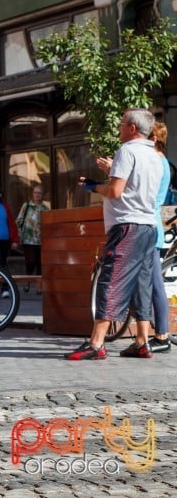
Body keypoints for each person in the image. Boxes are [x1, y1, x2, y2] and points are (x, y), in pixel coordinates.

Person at [67, 108, 161, 361]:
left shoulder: (127, 151)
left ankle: (96, 344)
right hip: (147, 226)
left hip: (126, 227)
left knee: (111, 281)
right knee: (142, 284)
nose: (118, 128)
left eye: (121, 124)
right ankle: (142, 341)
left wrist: (92, 186)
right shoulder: (155, 155)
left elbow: (117, 191)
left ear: (132, 128)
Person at [146, 121, 171, 353]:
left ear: (154, 138)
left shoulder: (158, 161)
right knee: (152, 284)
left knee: (155, 285)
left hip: (150, 228)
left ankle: (162, 336)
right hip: (151, 227)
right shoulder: (159, 160)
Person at [15, 186, 48, 276]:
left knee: (40, 264)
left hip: (41, 240)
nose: (37, 195)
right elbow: (19, 220)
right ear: (32, 194)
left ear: (42, 195)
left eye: (39, 193)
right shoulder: (27, 206)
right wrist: (18, 235)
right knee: (30, 262)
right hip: (28, 239)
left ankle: (38, 287)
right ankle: (28, 281)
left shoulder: (45, 209)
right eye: (35, 193)